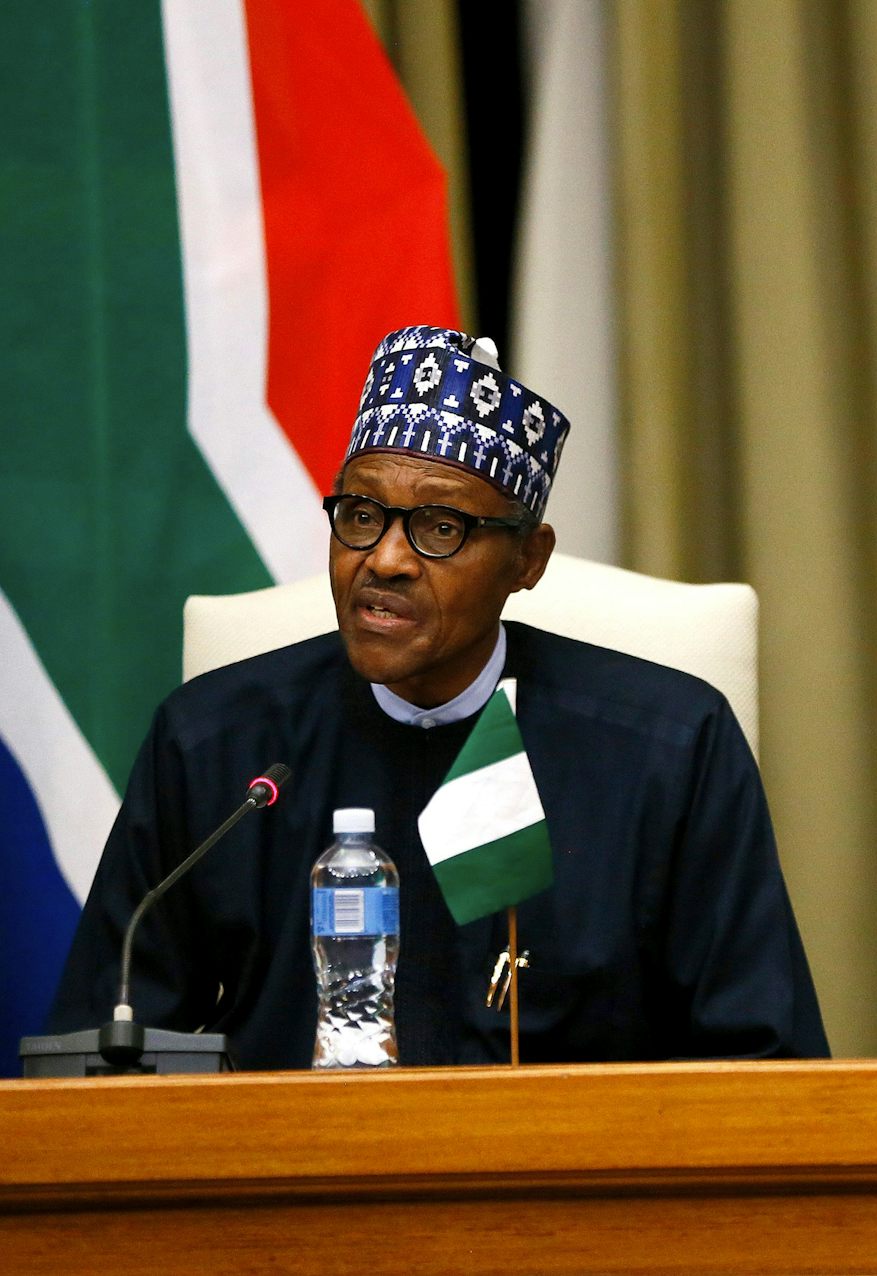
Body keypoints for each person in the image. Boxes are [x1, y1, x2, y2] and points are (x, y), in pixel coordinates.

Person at [49, 325, 828, 1067]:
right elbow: (106, 1049)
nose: (384, 559)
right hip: (289, 1186)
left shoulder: (669, 749)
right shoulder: (216, 744)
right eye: (360, 516)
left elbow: (761, 1058)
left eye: (440, 527)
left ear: (528, 559)